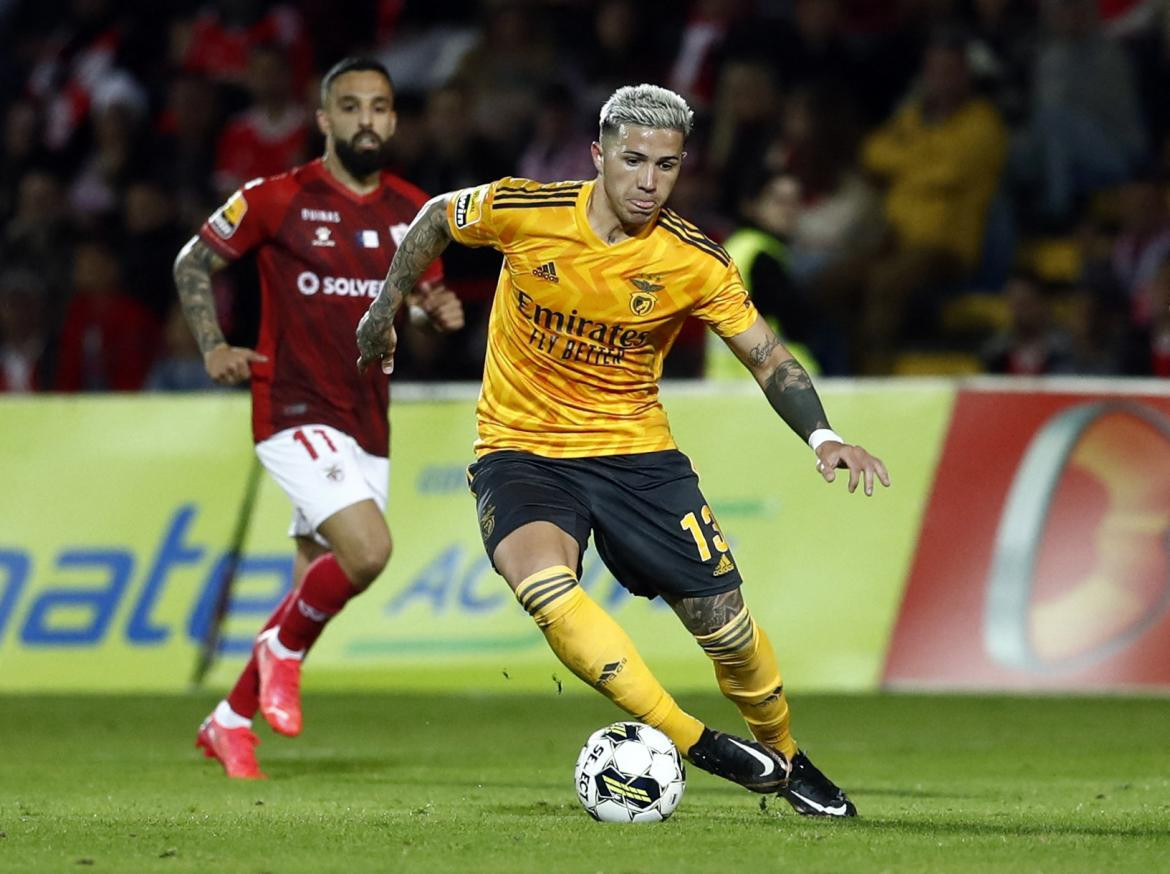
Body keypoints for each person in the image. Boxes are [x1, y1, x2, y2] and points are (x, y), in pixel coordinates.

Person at [357, 84, 890, 817]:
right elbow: (431, 218)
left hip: (636, 455)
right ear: (597, 155)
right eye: (633, 160)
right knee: (542, 583)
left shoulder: (693, 260)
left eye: (666, 166)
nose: (648, 181)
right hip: (521, 446)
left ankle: (788, 758)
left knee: (726, 630)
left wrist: (822, 435)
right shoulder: (527, 211)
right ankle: (699, 743)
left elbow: (769, 356)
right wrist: (385, 308)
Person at [176, 57, 463, 779]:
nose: (367, 118)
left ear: (395, 120)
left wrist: (435, 310)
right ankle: (275, 657)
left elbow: (421, 303)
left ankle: (229, 720)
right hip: (293, 405)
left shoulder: (416, 212)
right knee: (367, 551)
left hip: (368, 417)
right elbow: (191, 263)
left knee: (316, 581)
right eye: (351, 105)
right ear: (324, 118)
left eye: (380, 106)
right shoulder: (276, 197)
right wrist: (212, 346)